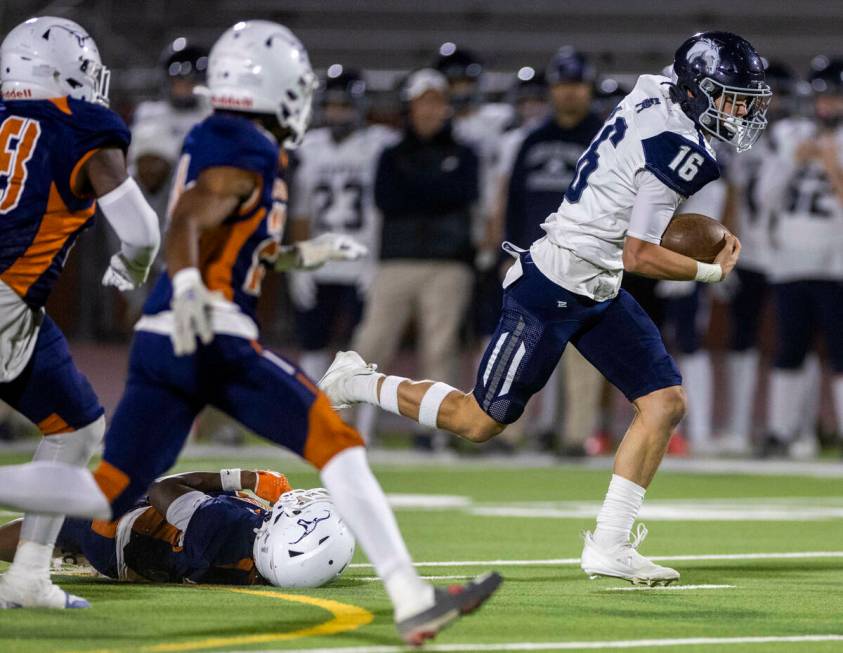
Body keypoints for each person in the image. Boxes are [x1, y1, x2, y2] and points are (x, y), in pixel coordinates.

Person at [0, 21, 500, 644]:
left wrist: (297, 256)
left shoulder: (223, 135)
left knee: (106, 491)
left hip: (165, 342)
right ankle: (412, 598)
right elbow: (186, 219)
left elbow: (225, 233)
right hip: (212, 335)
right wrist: (188, 288)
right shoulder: (250, 146)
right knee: (335, 442)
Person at [320, 31, 769, 586]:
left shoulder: (653, 92)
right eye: (731, 96)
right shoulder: (679, 150)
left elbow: (625, 239)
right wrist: (710, 269)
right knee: (478, 421)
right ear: (697, 91)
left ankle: (610, 544)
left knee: (664, 402)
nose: (741, 110)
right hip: (554, 284)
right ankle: (358, 381)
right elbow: (641, 254)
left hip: (597, 283)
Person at [0, 16, 161, 609]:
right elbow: (141, 229)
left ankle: (28, 576)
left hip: (21, 308)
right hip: (6, 297)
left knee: (77, 425)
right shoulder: (80, 123)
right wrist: (135, 265)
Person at [349, 68, 480, 451]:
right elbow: (388, 199)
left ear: (446, 108)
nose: (429, 110)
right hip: (397, 259)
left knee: (439, 349)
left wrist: (421, 191)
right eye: (423, 102)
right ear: (410, 107)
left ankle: (433, 432)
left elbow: (461, 194)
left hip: (448, 262)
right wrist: (437, 190)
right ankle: (341, 424)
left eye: (436, 102)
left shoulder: (464, 153)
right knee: (370, 343)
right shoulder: (391, 154)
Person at [0, 469, 356, 588]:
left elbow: (161, 488)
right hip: (133, 558)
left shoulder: (227, 526)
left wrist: (245, 477)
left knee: (49, 508)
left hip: (117, 528)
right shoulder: (264, 569)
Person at [503, 47, 604, 455]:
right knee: (522, 347)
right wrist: (505, 253)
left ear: (589, 89)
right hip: (533, 257)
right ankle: (507, 433)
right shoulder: (533, 139)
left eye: (576, 85)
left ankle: (576, 437)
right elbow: (512, 200)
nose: (569, 94)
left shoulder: (605, 136)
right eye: (562, 85)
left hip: (586, 257)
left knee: (584, 354)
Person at [755, 56, 843, 457]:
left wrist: (829, 163)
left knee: (841, 354)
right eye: (824, 97)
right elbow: (764, 197)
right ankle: (779, 431)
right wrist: (794, 161)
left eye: (836, 97)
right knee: (788, 351)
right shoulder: (789, 134)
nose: (828, 105)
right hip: (790, 262)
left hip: (837, 263)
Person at [288, 66, 397, 381]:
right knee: (312, 342)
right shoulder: (309, 147)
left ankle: (357, 423)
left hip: (362, 258)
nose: (337, 113)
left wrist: (378, 258)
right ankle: (314, 414)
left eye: (345, 106)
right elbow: (300, 211)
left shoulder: (379, 144)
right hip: (320, 259)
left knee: (363, 346)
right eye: (332, 105)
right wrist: (298, 261)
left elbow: (383, 208)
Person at [721, 61, 798, 454]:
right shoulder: (738, 138)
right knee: (742, 339)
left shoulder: (797, 137)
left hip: (790, 252)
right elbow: (733, 195)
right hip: (749, 251)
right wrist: (725, 244)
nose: (770, 102)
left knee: (796, 341)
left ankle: (795, 429)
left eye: (777, 94)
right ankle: (738, 426)